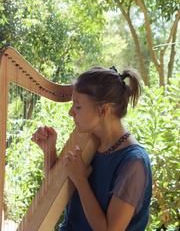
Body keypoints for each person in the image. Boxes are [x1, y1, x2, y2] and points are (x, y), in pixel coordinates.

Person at [32, 66, 152, 231]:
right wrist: (49, 151)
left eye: (78, 107)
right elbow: (58, 189)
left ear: (103, 110)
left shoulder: (134, 163)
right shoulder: (89, 141)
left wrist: (81, 180)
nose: (70, 112)